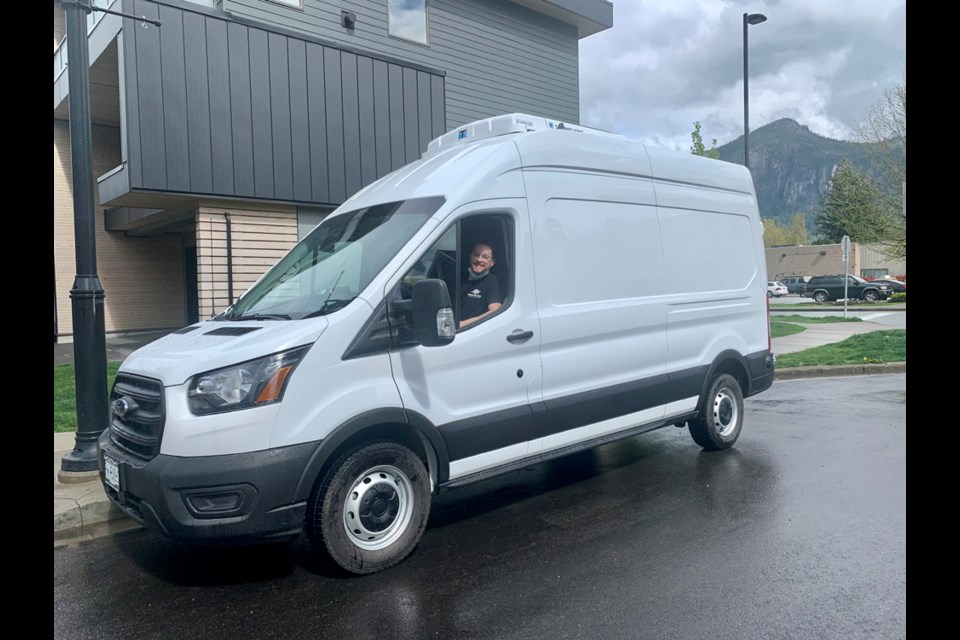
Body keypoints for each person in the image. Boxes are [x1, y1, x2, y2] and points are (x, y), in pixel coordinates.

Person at [459, 243, 502, 328]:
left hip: (471, 331)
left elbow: (496, 310)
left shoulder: (491, 280)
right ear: (470, 257)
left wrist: (462, 324)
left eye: (485, 257)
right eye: (476, 255)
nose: (479, 259)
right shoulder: (458, 276)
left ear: (492, 262)